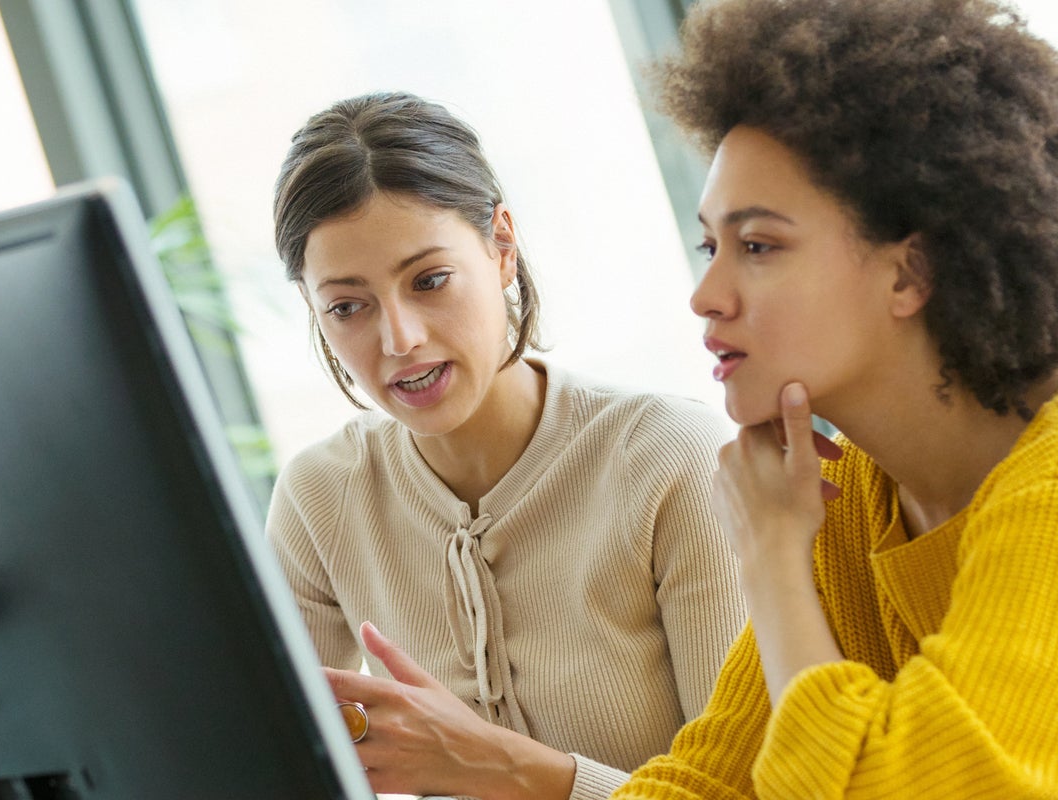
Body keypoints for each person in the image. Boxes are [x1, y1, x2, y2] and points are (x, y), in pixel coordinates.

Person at [611, 0, 1058, 797]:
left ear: (908, 274)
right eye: (709, 245)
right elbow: (702, 785)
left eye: (759, 246)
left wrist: (772, 556)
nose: (705, 295)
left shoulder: (1048, 489)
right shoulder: (842, 499)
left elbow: (902, 786)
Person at [266, 91, 747, 800]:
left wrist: (504, 770)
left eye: (429, 280)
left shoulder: (670, 458)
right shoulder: (319, 497)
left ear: (500, 247)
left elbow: (748, 792)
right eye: (347, 306)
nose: (399, 339)